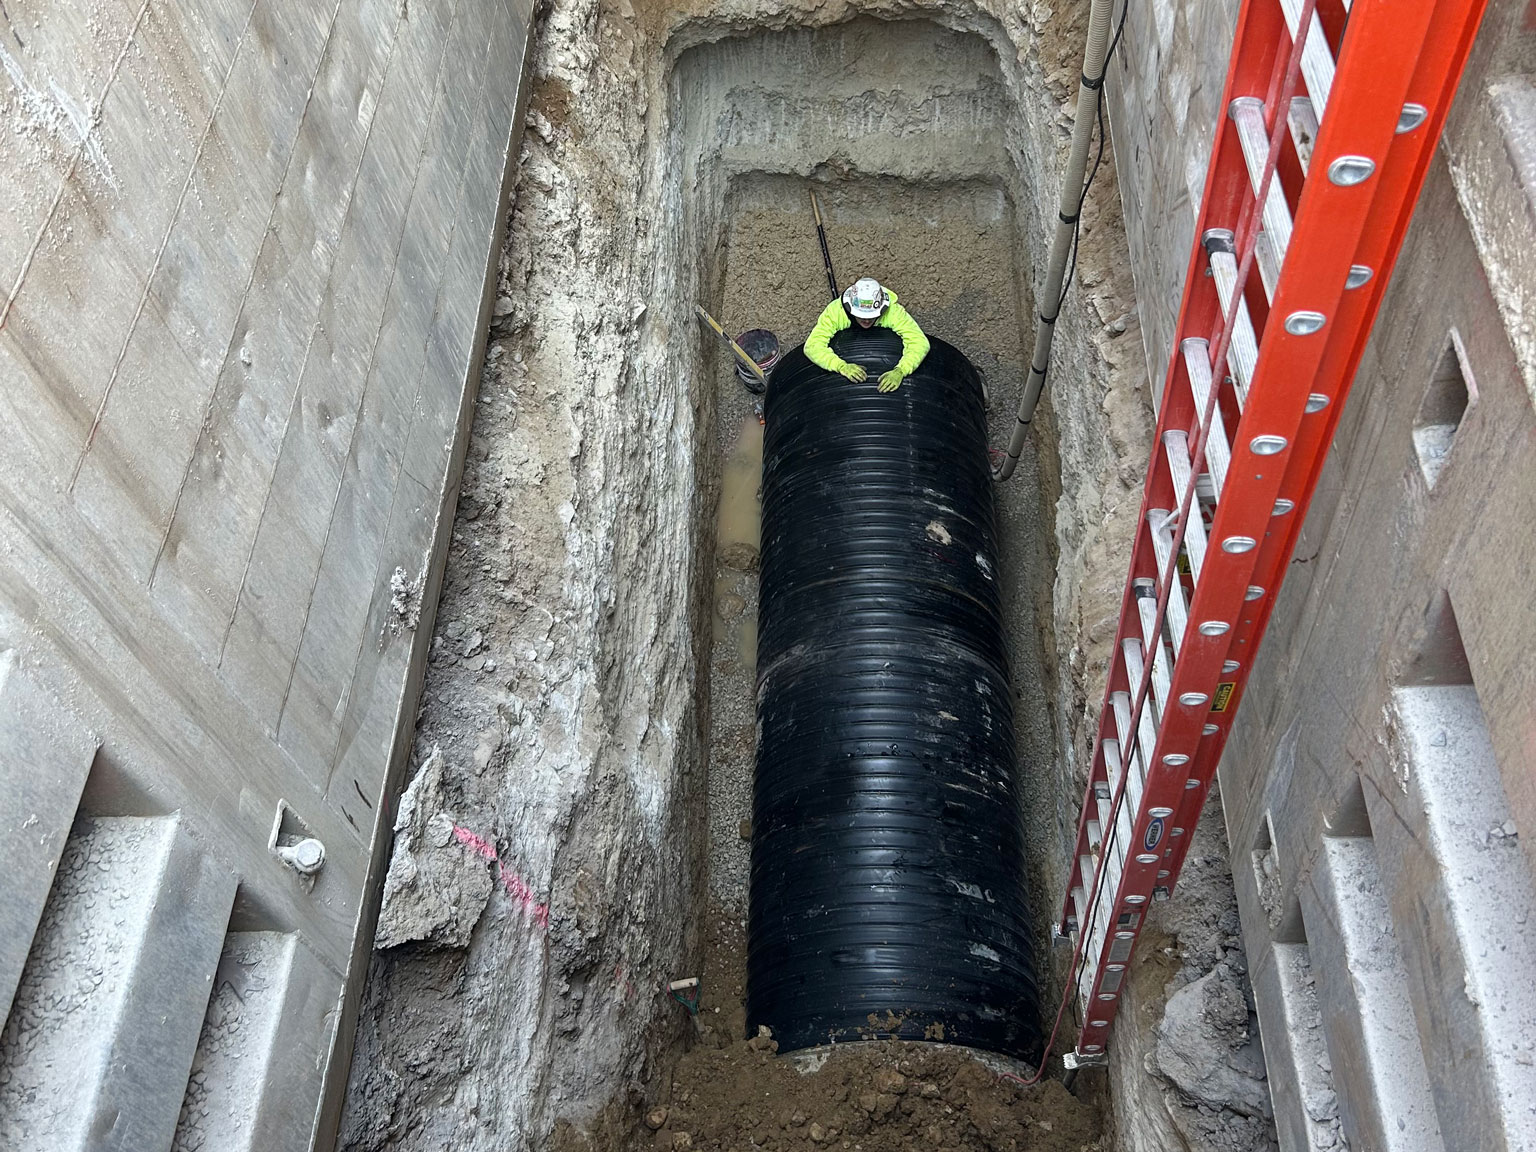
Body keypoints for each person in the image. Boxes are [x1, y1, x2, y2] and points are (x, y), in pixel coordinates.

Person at [804, 277, 930, 393]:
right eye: (862, 315)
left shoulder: (893, 311)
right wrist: (841, 366)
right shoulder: (836, 312)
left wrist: (901, 370)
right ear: (850, 308)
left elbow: (919, 342)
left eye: (872, 315)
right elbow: (812, 346)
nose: (867, 320)